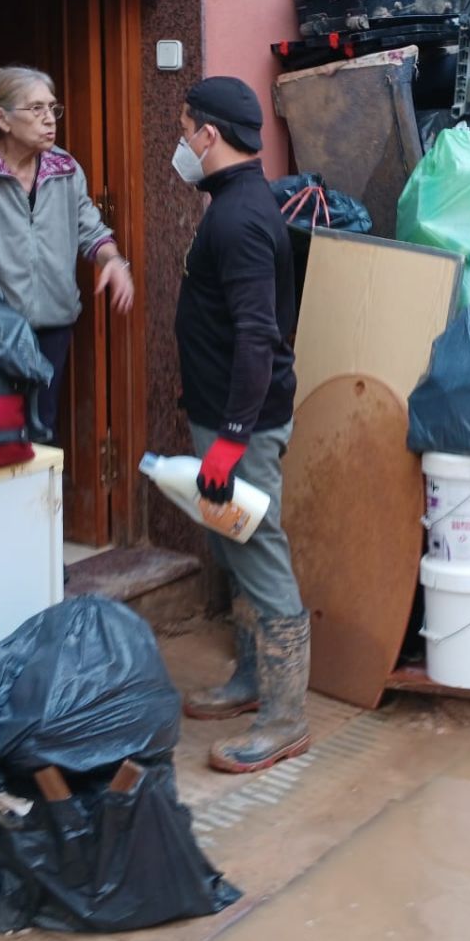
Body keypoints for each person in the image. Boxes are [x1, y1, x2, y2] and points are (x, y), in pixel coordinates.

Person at [170, 76, 307, 774]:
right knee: (236, 546)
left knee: (259, 551)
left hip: (241, 429)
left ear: (208, 135)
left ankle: (284, 717)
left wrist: (228, 440)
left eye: (185, 126)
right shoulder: (236, 202)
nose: (182, 141)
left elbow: (258, 339)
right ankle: (253, 679)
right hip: (228, 420)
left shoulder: (241, 218)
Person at [0, 65, 133, 439]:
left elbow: (90, 230)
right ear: (2, 118)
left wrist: (115, 261)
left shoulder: (66, 168)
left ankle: (43, 499)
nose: (49, 120)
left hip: (54, 326)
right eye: (36, 109)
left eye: (52, 109)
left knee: (42, 431)